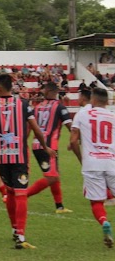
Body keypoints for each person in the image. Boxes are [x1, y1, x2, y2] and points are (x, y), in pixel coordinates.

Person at [0, 73, 54, 249]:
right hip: (19, 156)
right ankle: (20, 234)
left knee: (10, 192)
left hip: (1, 156)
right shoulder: (24, 105)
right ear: (11, 87)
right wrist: (45, 147)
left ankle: (14, 229)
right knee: (20, 194)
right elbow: (36, 129)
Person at [69, 88, 115, 248]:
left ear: (93, 100)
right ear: (107, 102)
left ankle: (104, 223)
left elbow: (73, 141)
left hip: (92, 164)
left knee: (96, 202)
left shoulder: (82, 114)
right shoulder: (113, 116)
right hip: (111, 162)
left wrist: (82, 159)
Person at [26, 82, 73, 213]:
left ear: (47, 92)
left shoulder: (37, 107)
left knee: (54, 175)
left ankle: (59, 206)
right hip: (49, 147)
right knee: (52, 177)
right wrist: (75, 140)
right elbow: (71, 127)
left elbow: (28, 128)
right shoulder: (59, 106)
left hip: (36, 145)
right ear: (55, 91)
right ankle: (22, 196)